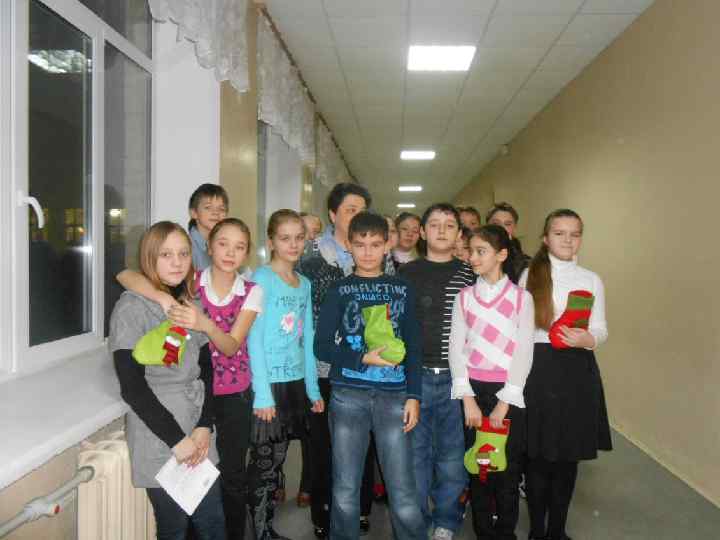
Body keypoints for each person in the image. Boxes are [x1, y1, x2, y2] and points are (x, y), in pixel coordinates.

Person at [109, 221, 226, 540]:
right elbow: (132, 387)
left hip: (197, 429)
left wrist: (205, 425)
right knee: (174, 529)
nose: (177, 262)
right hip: (159, 434)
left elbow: (207, 370)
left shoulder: (189, 305)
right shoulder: (131, 307)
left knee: (213, 524)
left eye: (183, 253)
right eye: (166, 254)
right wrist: (177, 440)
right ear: (150, 258)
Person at [314, 211, 424, 540]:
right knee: (345, 487)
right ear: (349, 245)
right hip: (348, 395)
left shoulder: (403, 288)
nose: (367, 252)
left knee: (402, 487)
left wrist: (414, 395)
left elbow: (414, 344)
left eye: (375, 244)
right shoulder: (339, 289)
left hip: (395, 396)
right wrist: (362, 357)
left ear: (387, 245)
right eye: (360, 245)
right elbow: (321, 346)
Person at [519, 209, 611, 540]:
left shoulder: (591, 279)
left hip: (577, 372)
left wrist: (588, 339)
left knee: (567, 458)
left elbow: (600, 328)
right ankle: (537, 531)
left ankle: (557, 531)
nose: (568, 240)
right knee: (538, 457)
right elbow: (520, 331)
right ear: (545, 238)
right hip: (538, 371)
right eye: (559, 233)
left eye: (575, 234)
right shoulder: (529, 275)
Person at [296, 182, 375, 538]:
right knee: (324, 446)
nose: (357, 216)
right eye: (349, 210)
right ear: (333, 214)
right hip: (324, 367)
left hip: (365, 366)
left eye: (362, 210)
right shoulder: (311, 255)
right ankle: (324, 513)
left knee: (363, 443)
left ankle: (360, 509)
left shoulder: (376, 253)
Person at [448, 224, 534, 540]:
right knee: (479, 468)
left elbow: (524, 352)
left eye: (480, 251)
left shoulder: (522, 298)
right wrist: (468, 399)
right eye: (471, 251)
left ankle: (505, 533)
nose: (472, 257)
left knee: (507, 471)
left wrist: (504, 404)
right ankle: (483, 532)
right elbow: (455, 349)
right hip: (474, 393)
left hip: (508, 396)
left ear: (501, 254)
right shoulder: (464, 298)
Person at [399, 204, 476, 540]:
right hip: (414, 378)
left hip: (457, 379)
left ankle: (446, 520)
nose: (442, 230)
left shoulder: (470, 274)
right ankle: (417, 521)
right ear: (422, 232)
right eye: (434, 224)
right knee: (414, 456)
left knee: (452, 457)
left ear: (459, 233)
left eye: (449, 225)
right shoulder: (406, 273)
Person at [247, 209, 324, 540]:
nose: (293, 244)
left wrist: (313, 389)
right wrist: (263, 394)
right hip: (268, 386)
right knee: (265, 464)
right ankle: (260, 531)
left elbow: (307, 339)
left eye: (299, 238)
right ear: (271, 242)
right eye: (285, 238)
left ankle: (268, 527)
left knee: (278, 459)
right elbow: (254, 338)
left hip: (294, 383)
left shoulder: (304, 284)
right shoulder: (261, 279)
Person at [187, 183, 230, 271]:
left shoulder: (225, 245)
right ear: (194, 213)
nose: (216, 212)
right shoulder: (187, 246)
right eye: (208, 207)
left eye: (221, 209)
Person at [486, 202, 530, 284]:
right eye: (496, 223)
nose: (501, 228)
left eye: (507, 224)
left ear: (515, 228)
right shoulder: (474, 258)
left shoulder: (526, 264)